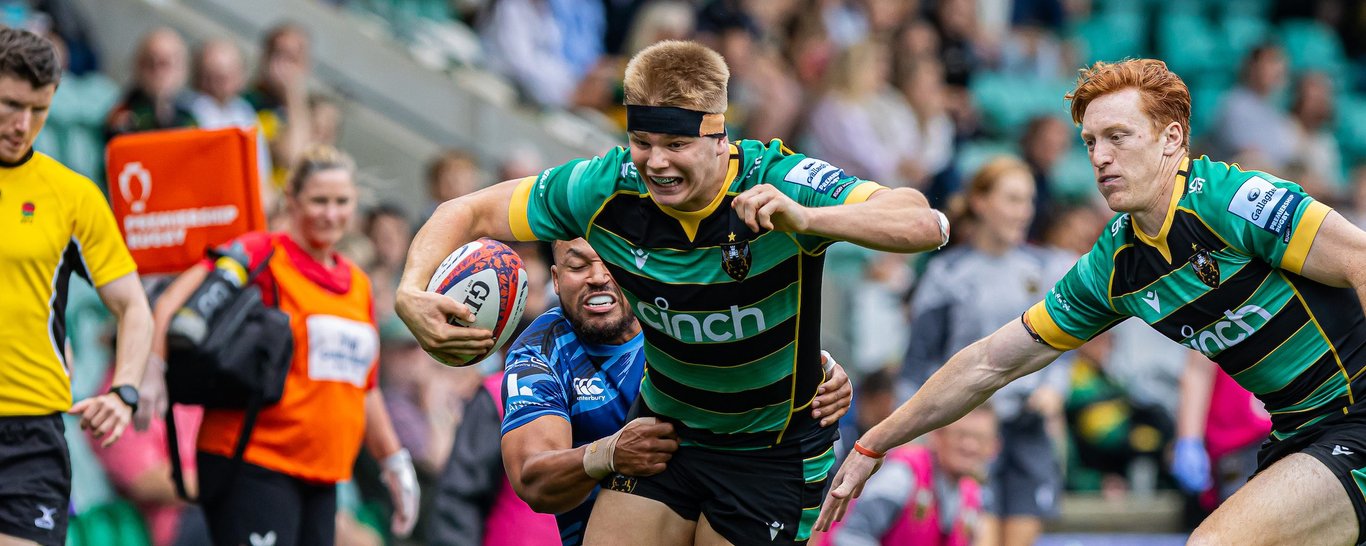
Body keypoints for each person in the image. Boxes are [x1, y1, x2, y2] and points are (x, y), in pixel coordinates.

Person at [396, 40, 947, 546]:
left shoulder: (781, 180)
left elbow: (923, 223)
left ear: (718, 137)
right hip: (667, 436)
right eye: (642, 142)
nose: (656, 162)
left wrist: (810, 220)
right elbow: (466, 211)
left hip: (768, 456)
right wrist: (410, 291)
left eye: (676, 144)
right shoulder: (603, 188)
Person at [817, 58, 1366, 546]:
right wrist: (872, 444)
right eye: (1090, 142)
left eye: (1118, 137)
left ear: (1172, 138)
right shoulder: (1114, 267)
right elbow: (989, 363)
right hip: (1299, 432)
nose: (1100, 157)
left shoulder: (1232, 200)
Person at [439, 238, 851, 546]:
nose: (598, 277)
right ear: (556, 279)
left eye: (610, 261)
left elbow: (769, 353)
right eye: (578, 265)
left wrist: (824, 370)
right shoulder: (540, 350)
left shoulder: (685, 317)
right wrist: (609, 454)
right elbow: (533, 478)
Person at [150, 146, 420, 546]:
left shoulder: (358, 284)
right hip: (254, 461)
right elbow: (173, 301)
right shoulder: (263, 254)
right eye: (319, 201)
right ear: (292, 199)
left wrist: (394, 462)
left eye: (341, 202)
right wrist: (152, 368)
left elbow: (365, 387)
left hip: (324, 475)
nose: (330, 214)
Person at [0, 28, 153, 546]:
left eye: (39, 110)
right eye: (10, 105)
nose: (23, 126)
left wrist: (126, 389)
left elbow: (133, 304)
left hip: (30, 437)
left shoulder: (71, 197)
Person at [899, 156, 1073, 546]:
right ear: (980, 202)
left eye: (1028, 201)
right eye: (1012, 200)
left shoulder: (1048, 268)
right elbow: (917, 361)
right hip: (969, 430)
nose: (1023, 212)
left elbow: (1066, 347)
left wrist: (1053, 391)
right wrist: (915, 435)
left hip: (1028, 426)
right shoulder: (947, 275)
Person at [813, 406, 997, 546]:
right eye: (961, 435)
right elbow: (849, 537)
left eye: (980, 439)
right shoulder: (902, 475)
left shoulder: (975, 496)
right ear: (937, 436)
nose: (970, 447)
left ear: (993, 447)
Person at [103, 27, 196, 140]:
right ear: (137, 66)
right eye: (149, 63)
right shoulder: (122, 114)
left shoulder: (190, 117)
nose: (158, 72)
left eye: (165, 64)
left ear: (182, 69)